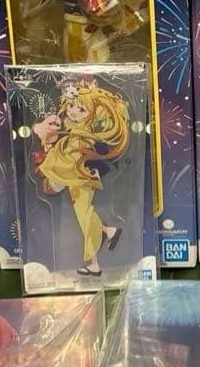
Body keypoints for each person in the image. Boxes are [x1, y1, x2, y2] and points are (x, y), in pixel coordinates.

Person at [32, 79, 129, 277]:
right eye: (71, 106)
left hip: (81, 177)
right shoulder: (74, 131)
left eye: (81, 109)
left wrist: (51, 168)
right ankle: (108, 232)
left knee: (85, 216)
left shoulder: (85, 134)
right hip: (76, 177)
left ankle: (93, 263)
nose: (74, 112)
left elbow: (75, 158)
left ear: (93, 112)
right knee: (85, 214)